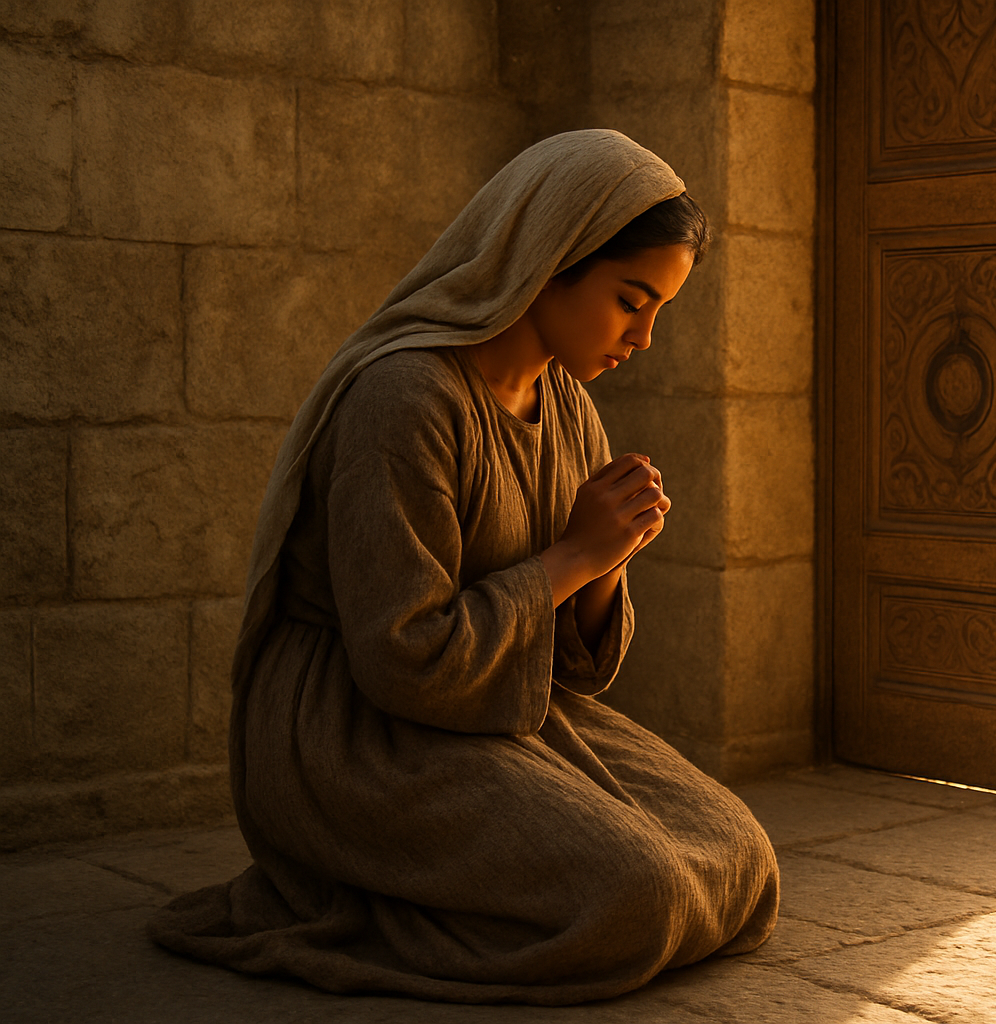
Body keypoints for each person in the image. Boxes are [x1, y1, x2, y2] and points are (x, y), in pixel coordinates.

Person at [148, 130, 779, 1005]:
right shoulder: (403, 400)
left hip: (499, 709)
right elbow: (401, 659)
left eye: (659, 310)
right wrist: (574, 555)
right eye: (631, 300)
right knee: (641, 894)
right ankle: (356, 894)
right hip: (356, 735)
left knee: (741, 857)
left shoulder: (567, 405)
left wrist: (606, 564)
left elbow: (574, 672)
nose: (643, 337)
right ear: (549, 259)